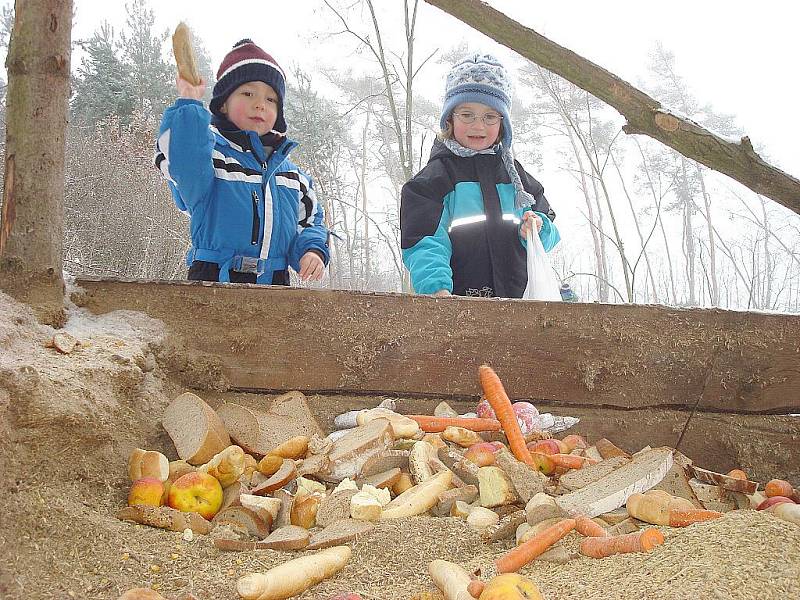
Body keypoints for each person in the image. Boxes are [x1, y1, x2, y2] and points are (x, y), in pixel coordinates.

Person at [154, 39, 329, 285]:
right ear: (223, 104)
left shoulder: (294, 177)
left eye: (271, 99)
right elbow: (185, 163)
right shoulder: (212, 156)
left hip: (276, 286)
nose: (260, 103)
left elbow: (310, 222)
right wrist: (190, 103)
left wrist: (312, 250)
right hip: (213, 279)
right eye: (248, 93)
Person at [400, 54, 560, 298]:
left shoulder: (518, 180)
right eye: (467, 114)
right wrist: (438, 291)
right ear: (450, 119)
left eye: (489, 117)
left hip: (520, 307)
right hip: (459, 306)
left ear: (502, 123)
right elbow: (425, 244)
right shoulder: (432, 181)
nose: (478, 126)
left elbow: (549, 233)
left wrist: (537, 228)